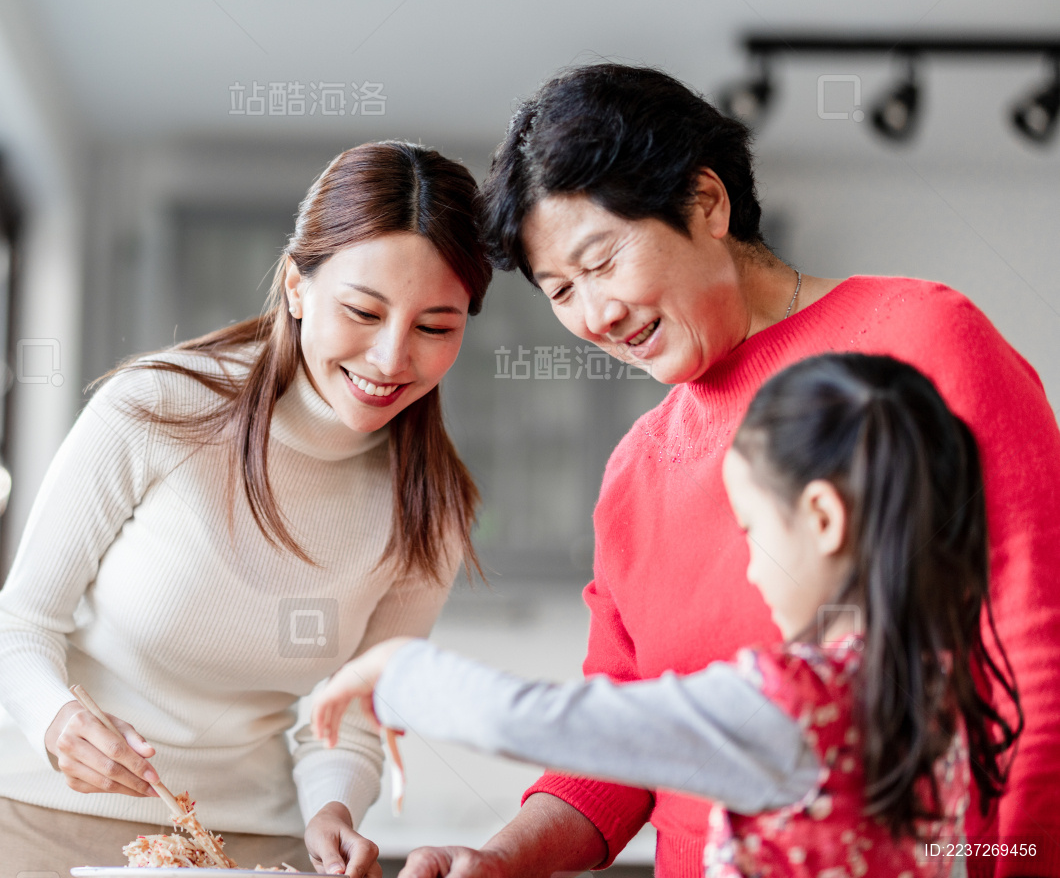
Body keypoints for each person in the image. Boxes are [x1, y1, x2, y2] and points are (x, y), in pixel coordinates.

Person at [397, 64, 1060, 878]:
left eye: (602, 261)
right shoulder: (635, 471)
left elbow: (1036, 650)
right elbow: (618, 741)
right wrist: (499, 861)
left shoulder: (920, 341)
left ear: (706, 202)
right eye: (561, 291)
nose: (593, 315)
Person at [0, 141, 492, 878]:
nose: (391, 358)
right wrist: (58, 723)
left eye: (436, 327)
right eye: (363, 311)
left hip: (246, 849)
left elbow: (353, 711)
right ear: (296, 287)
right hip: (46, 824)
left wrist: (331, 809)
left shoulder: (430, 507)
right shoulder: (159, 407)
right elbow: (18, 626)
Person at [313, 352, 1023, 878]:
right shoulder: (932, 691)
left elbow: (548, 720)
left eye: (752, 531)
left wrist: (396, 669)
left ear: (822, 518)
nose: (749, 565)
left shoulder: (793, 705)